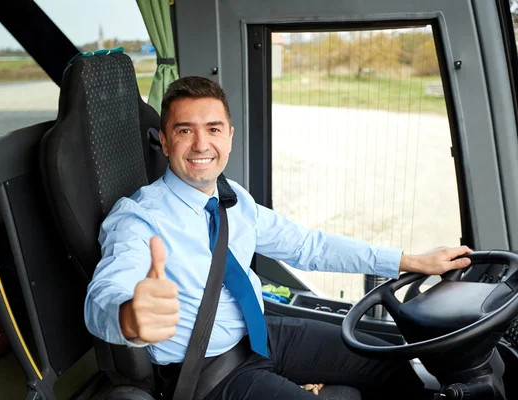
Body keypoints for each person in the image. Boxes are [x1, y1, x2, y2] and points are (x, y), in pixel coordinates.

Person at [84, 76, 472, 399]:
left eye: (213, 129)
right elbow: (103, 295)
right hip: (207, 373)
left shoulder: (232, 198)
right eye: (185, 131)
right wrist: (128, 315)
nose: (202, 145)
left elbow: (308, 246)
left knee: (387, 360)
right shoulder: (138, 218)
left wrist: (411, 261)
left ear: (229, 137)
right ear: (165, 142)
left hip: (260, 336)